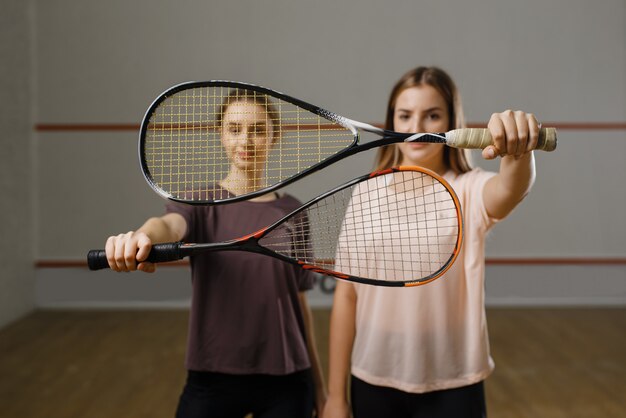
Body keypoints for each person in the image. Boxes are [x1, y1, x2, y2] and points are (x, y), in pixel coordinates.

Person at [323, 66, 541, 418]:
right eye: (405, 115)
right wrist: (335, 397)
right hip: (372, 379)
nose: (417, 127)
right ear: (391, 120)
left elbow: (513, 187)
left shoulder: (469, 189)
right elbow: (347, 296)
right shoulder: (364, 193)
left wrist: (519, 150)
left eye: (432, 115)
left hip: (454, 383)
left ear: (451, 122)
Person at [104, 89, 326, 418]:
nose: (246, 140)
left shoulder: (294, 210)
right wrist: (141, 237)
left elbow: (299, 304)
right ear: (220, 134)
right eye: (235, 129)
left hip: (287, 378)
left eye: (258, 130)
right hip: (213, 376)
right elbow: (167, 225)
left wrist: (322, 391)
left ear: (274, 137)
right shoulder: (199, 203)